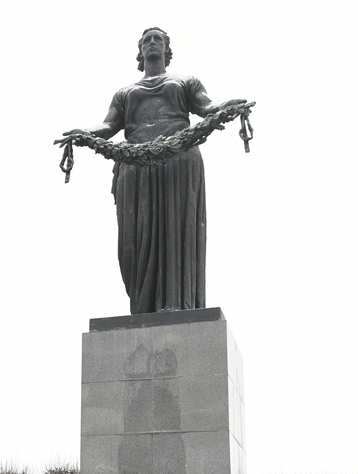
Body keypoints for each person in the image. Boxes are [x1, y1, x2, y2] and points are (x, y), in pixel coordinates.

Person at [59, 27, 245, 314]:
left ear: (167, 50)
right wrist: (82, 132)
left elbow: (208, 107)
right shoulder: (125, 93)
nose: (152, 43)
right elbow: (108, 127)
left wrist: (226, 106)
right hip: (134, 164)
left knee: (176, 231)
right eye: (146, 40)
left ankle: (175, 304)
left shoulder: (186, 81)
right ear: (140, 51)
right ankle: (143, 307)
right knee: (133, 243)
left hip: (178, 158)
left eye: (158, 39)